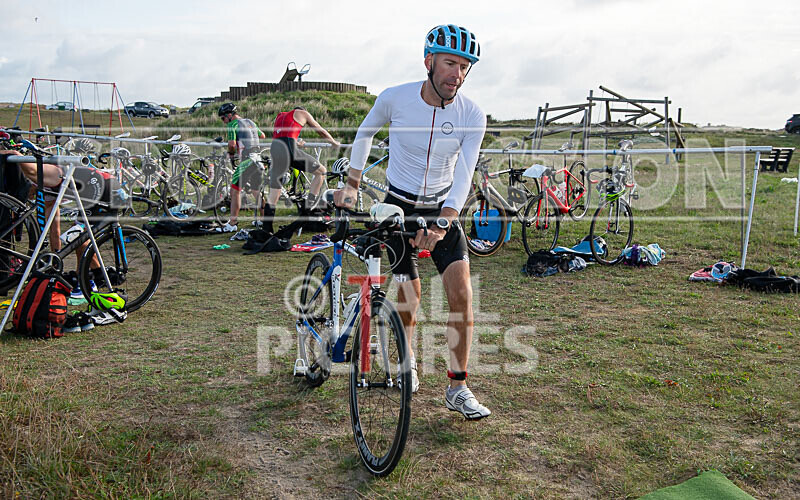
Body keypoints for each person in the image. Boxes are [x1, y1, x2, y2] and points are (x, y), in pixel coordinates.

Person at [334, 25, 489, 420]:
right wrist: (352, 184)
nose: (457, 73)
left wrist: (442, 223)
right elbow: (366, 131)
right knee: (411, 296)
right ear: (429, 61)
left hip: (442, 208)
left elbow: (464, 175)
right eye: (450, 63)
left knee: (462, 295)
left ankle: (458, 387)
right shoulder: (395, 98)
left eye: (465, 66)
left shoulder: (472, 114)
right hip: (399, 206)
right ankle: (408, 361)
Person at [265, 107, 339, 233]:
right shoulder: (303, 113)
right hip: (289, 150)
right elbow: (319, 129)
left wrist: (297, 143)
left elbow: (283, 135)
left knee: (274, 193)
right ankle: (308, 208)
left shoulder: (280, 115)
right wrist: (333, 142)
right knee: (321, 171)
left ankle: (266, 229)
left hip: (276, 149)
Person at [217, 103, 267, 233]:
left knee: (235, 191)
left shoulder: (232, 125)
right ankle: (263, 220)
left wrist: (232, 155)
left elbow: (232, 144)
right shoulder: (250, 121)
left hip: (246, 160)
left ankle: (232, 223)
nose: (223, 122)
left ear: (229, 115)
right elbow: (262, 136)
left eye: (223, 118)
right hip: (258, 158)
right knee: (257, 191)